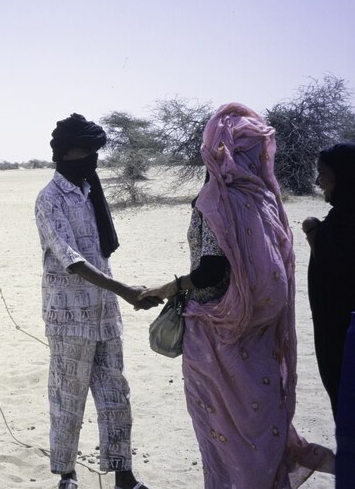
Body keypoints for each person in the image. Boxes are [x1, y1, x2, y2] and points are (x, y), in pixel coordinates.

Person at [141, 103, 334, 487]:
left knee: (221, 428)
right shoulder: (265, 198)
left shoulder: (214, 199)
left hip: (215, 333)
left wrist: (170, 287)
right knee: (260, 422)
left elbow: (211, 269)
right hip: (260, 330)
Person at [34, 113, 159, 489]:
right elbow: (70, 258)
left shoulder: (91, 192)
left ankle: (124, 475)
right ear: (64, 153)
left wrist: (119, 294)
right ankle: (67, 475)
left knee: (115, 396)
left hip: (106, 316)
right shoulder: (49, 199)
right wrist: (124, 288)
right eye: (84, 151)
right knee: (67, 399)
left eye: (93, 151)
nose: (91, 158)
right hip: (69, 317)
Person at [301, 142, 355, 421]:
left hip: (345, 340)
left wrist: (312, 229)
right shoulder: (340, 219)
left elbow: (335, 268)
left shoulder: (344, 223)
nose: (317, 181)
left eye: (322, 173)